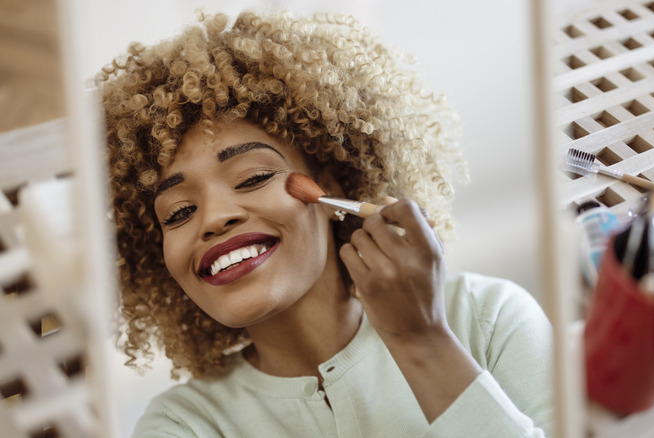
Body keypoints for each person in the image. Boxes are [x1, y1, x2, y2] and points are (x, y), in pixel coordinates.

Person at [97, 9, 554, 437]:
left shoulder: (486, 320)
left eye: (253, 177)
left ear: (331, 186)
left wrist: (423, 341)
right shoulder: (185, 425)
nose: (214, 218)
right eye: (178, 213)